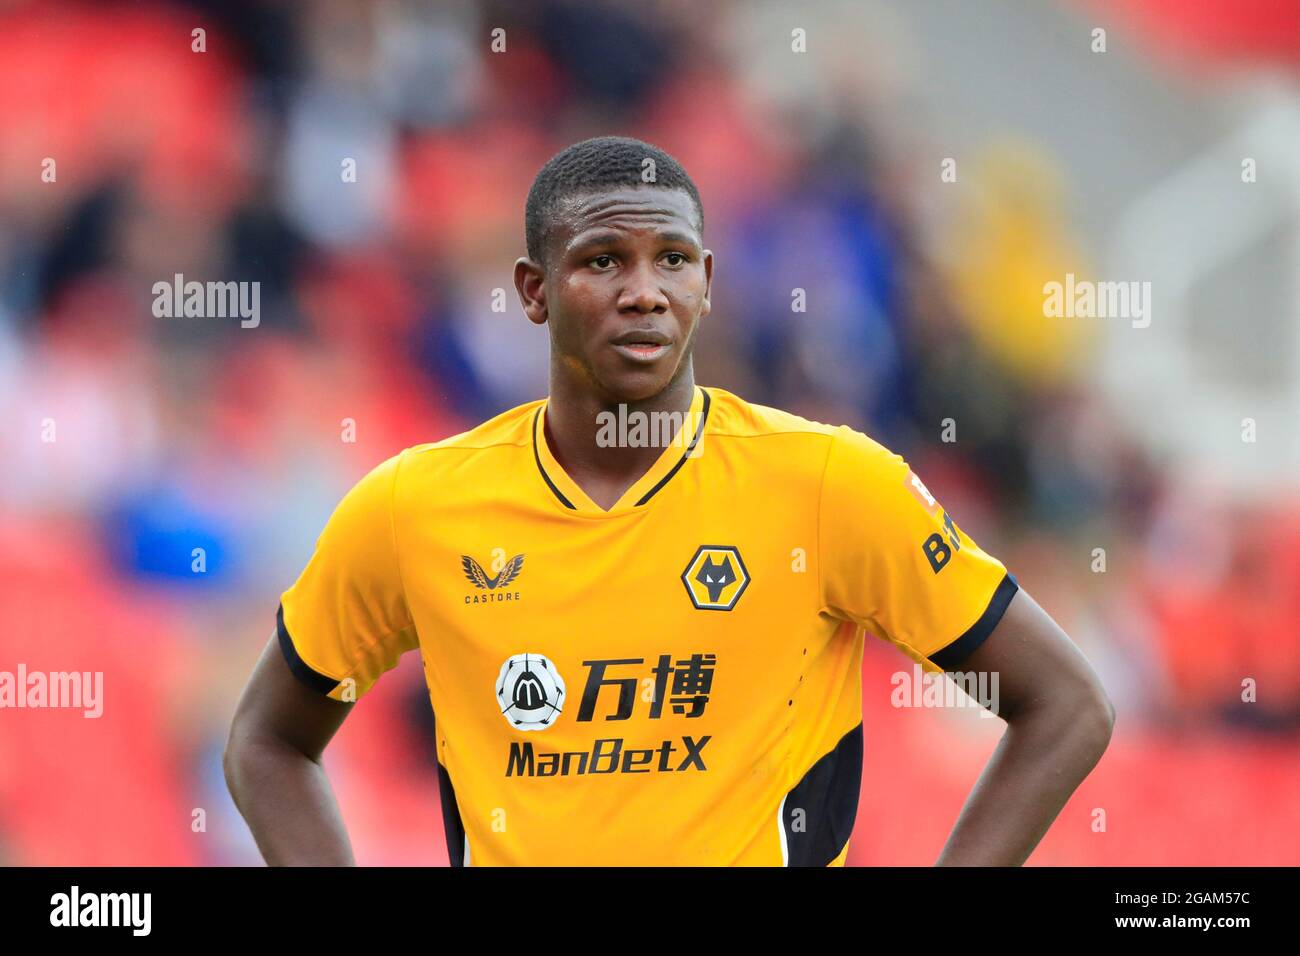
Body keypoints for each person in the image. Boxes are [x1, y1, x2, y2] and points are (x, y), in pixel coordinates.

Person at [224, 135, 1114, 866]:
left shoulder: (828, 484)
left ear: (707, 283)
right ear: (534, 291)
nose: (643, 291)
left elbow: (1066, 703)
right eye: (603, 260)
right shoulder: (413, 509)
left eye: (673, 260)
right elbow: (266, 741)